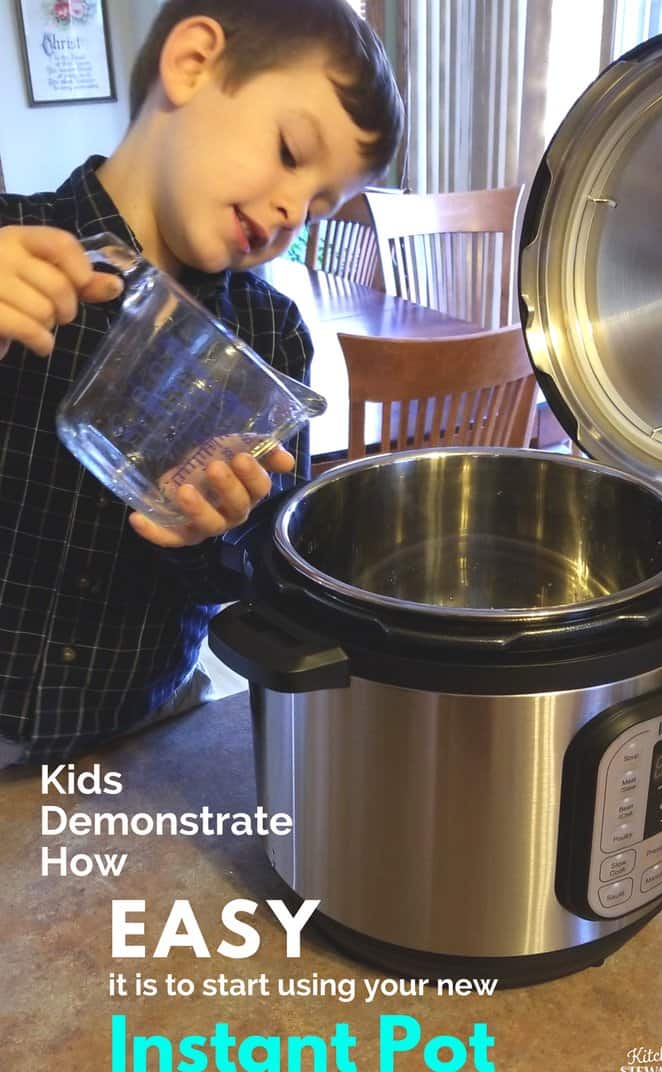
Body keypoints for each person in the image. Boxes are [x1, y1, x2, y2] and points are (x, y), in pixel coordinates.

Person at [0, 0, 404, 765]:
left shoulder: (272, 337)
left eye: (320, 206)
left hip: (154, 729)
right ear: (192, 65)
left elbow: (263, 574)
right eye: (291, 152)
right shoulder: (11, 250)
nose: (293, 210)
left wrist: (215, 532)